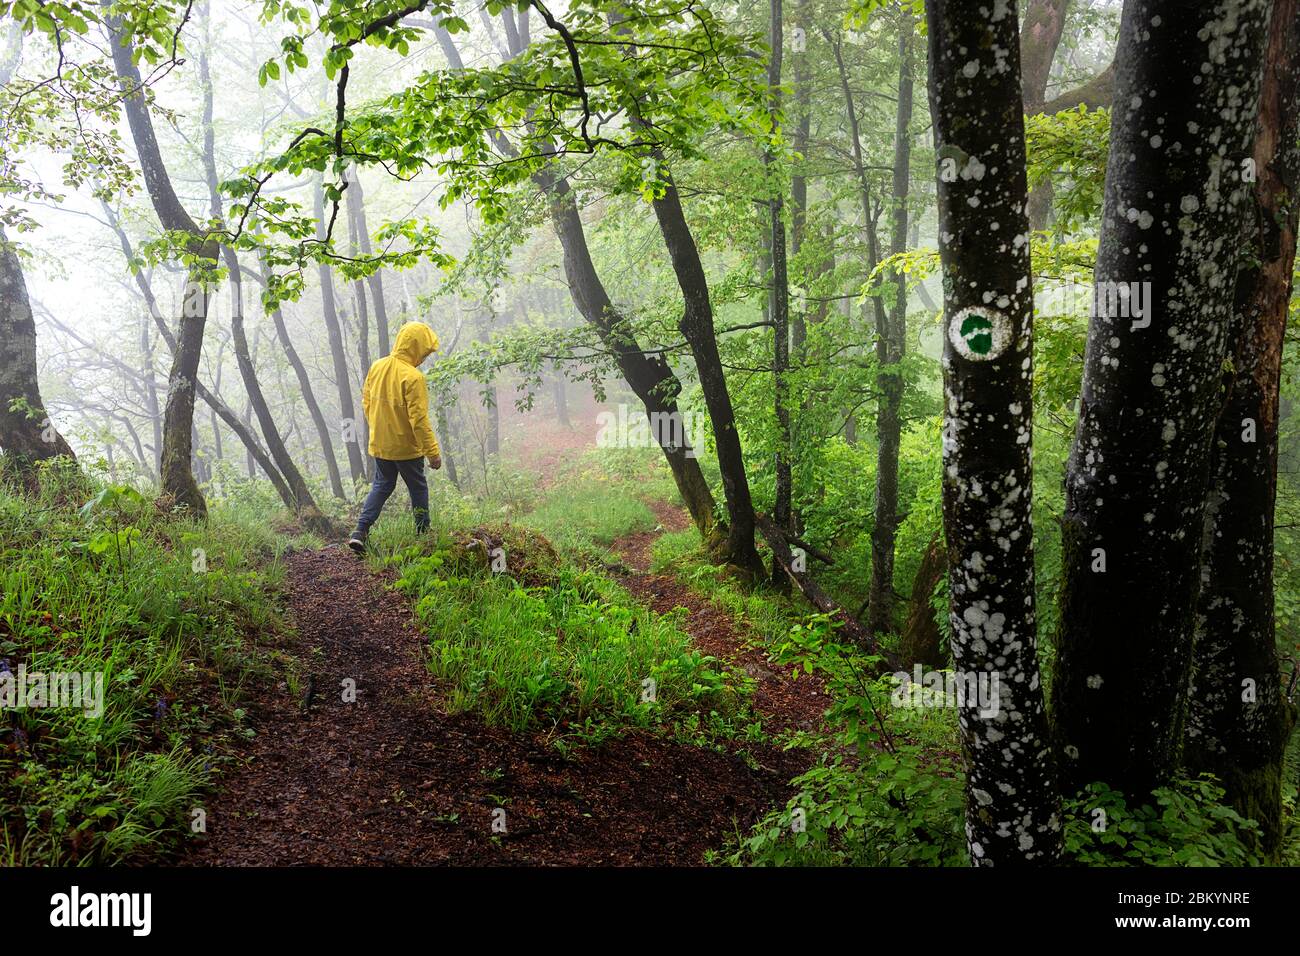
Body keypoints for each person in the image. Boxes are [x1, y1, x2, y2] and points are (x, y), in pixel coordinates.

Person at [348, 322, 443, 553]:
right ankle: (423, 536)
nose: (425, 356)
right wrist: (433, 453)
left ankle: (360, 531)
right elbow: (419, 421)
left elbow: (366, 402)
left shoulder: (377, 366)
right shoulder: (413, 377)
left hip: (380, 444)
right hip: (407, 448)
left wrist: (379, 430)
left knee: (382, 484)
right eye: (424, 351)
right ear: (416, 347)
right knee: (418, 488)